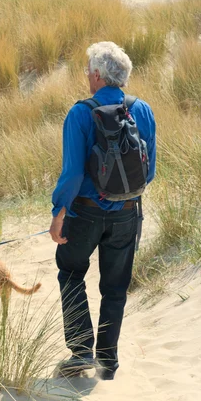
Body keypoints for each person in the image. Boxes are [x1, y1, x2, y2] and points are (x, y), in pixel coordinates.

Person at [50, 41, 156, 380]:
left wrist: (58, 212)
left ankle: (81, 352)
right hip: (128, 212)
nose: (86, 76)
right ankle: (107, 361)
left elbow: (72, 173)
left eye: (87, 71)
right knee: (115, 287)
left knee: (70, 272)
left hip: (85, 213)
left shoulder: (80, 113)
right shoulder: (143, 110)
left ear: (97, 75)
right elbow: (149, 170)